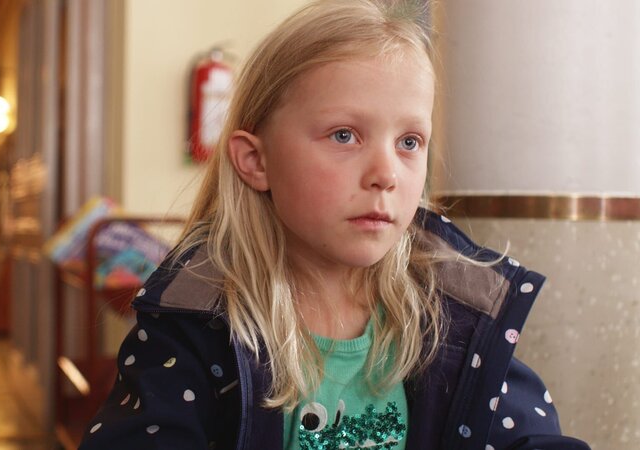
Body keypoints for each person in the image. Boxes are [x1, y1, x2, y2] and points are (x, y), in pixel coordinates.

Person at [79, 0, 590, 449]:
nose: (387, 173)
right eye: (344, 135)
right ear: (256, 161)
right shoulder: (193, 326)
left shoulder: (454, 316)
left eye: (409, 142)